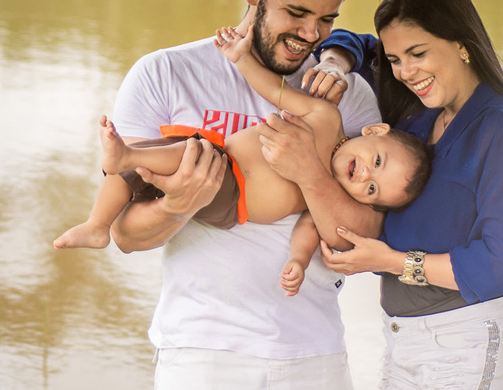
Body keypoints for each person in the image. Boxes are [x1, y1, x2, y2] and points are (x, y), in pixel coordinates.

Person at [106, 0, 386, 390]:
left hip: (314, 356)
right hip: (201, 357)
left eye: (326, 20)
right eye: (296, 14)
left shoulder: (345, 94)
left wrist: (311, 174)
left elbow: (363, 236)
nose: (310, 35)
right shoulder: (163, 74)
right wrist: (180, 204)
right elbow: (126, 235)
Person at [271, 0, 503, 390]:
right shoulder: (418, 121)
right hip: (404, 344)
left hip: (468, 342)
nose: (404, 72)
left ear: (461, 43)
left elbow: (499, 267)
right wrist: (335, 64)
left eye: (418, 53)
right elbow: (360, 43)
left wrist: (388, 261)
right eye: (396, 59)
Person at [53, 29, 432, 299]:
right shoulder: (327, 117)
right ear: (374, 130)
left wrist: (298, 261)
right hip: (218, 153)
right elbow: (276, 90)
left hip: (230, 197)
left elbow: (310, 232)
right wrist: (242, 59)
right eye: (376, 161)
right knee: (144, 168)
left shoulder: (327, 197)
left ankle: (128, 160)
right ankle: (98, 222)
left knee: (176, 162)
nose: (365, 174)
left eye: (371, 189)